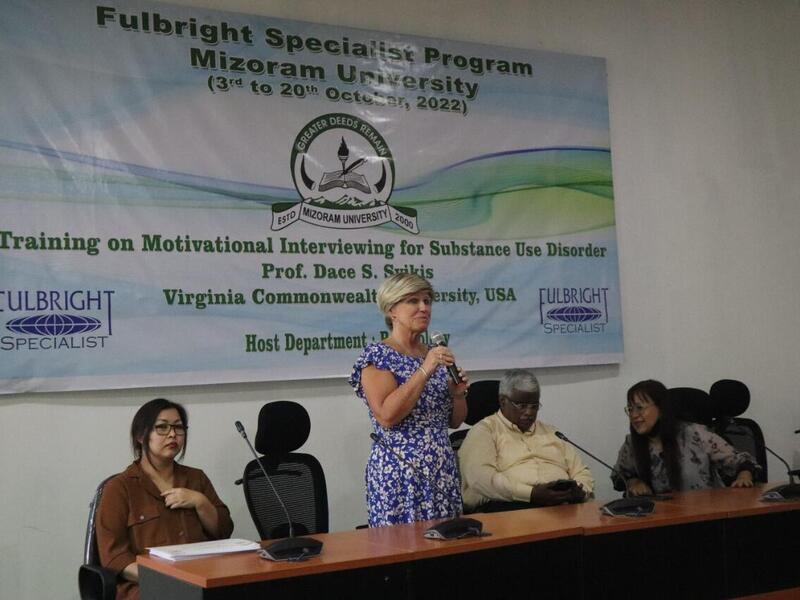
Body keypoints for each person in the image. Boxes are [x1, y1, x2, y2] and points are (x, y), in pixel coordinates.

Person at [349, 272, 469, 527]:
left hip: (442, 468)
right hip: (400, 472)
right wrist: (425, 370)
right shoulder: (378, 355)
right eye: (413, 301)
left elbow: (456, 421)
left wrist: (457, 395)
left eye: (427, 300)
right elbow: (387, 416)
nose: (424, 308)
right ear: (392, 309)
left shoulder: (433, 354)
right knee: (404, 553)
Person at [96, 398, 234, 600]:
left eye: (178, 428)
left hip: (202, 581)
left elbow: (223, 531)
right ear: (141, 436)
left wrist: (200, 502)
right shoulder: (119, 488)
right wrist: (166, 579)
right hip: (146, 587)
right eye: (162, 427)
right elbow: (114, 557)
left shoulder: (196, 479)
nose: (172, 434)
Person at [459, 369, 594, 512]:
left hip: (565, 507)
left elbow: (581, 471)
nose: (529, 412)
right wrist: (531, 494)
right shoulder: (484, 432)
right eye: (522, 406)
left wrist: (580, 490)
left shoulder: (553, 433)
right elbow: (482, 480)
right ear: (503, 401)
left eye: (534, 406)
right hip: (512, 509)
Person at [613, 379, 756, 496]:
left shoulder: (694, 433)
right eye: (630, 409)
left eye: (639, 408)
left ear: (661, 409)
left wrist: (744, 475)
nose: (634, 415)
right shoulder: (631, 443)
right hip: (656, 521)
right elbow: (620, 476)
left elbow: (742, 461)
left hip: (705, 516)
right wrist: (634, 482)